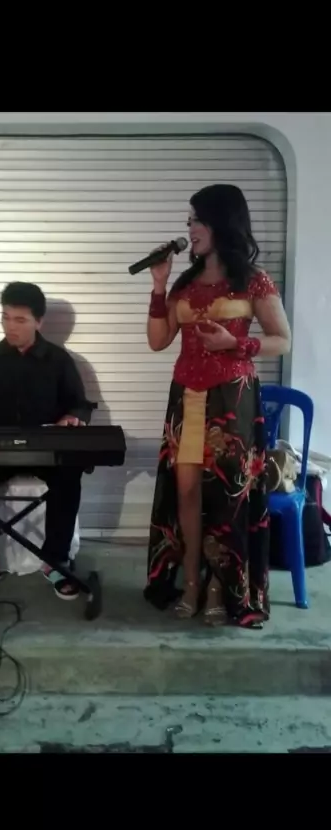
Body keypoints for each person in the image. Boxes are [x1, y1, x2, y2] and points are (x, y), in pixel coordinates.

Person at [143, 184, 292, 629]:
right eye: (189, 220)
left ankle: (218, 587)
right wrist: (159, 286)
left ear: (221, 222)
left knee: (226, 498)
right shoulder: (184, 284)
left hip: (232, 398)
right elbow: (157, 341)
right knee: (186, 492)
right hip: (186, 397)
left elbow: (282, 340)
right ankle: (190, 581)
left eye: (196, 219)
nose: (189, 228)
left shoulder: (253, 280)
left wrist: (236, 344)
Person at [0, 281, 93, 601]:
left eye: (20, 320)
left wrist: (72, 418)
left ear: (39, 322)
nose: (10, 326)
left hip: (46, 450)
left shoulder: (59, 360)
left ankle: (55, 561)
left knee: (69, 475)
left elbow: (79, 404)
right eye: (6, 317)